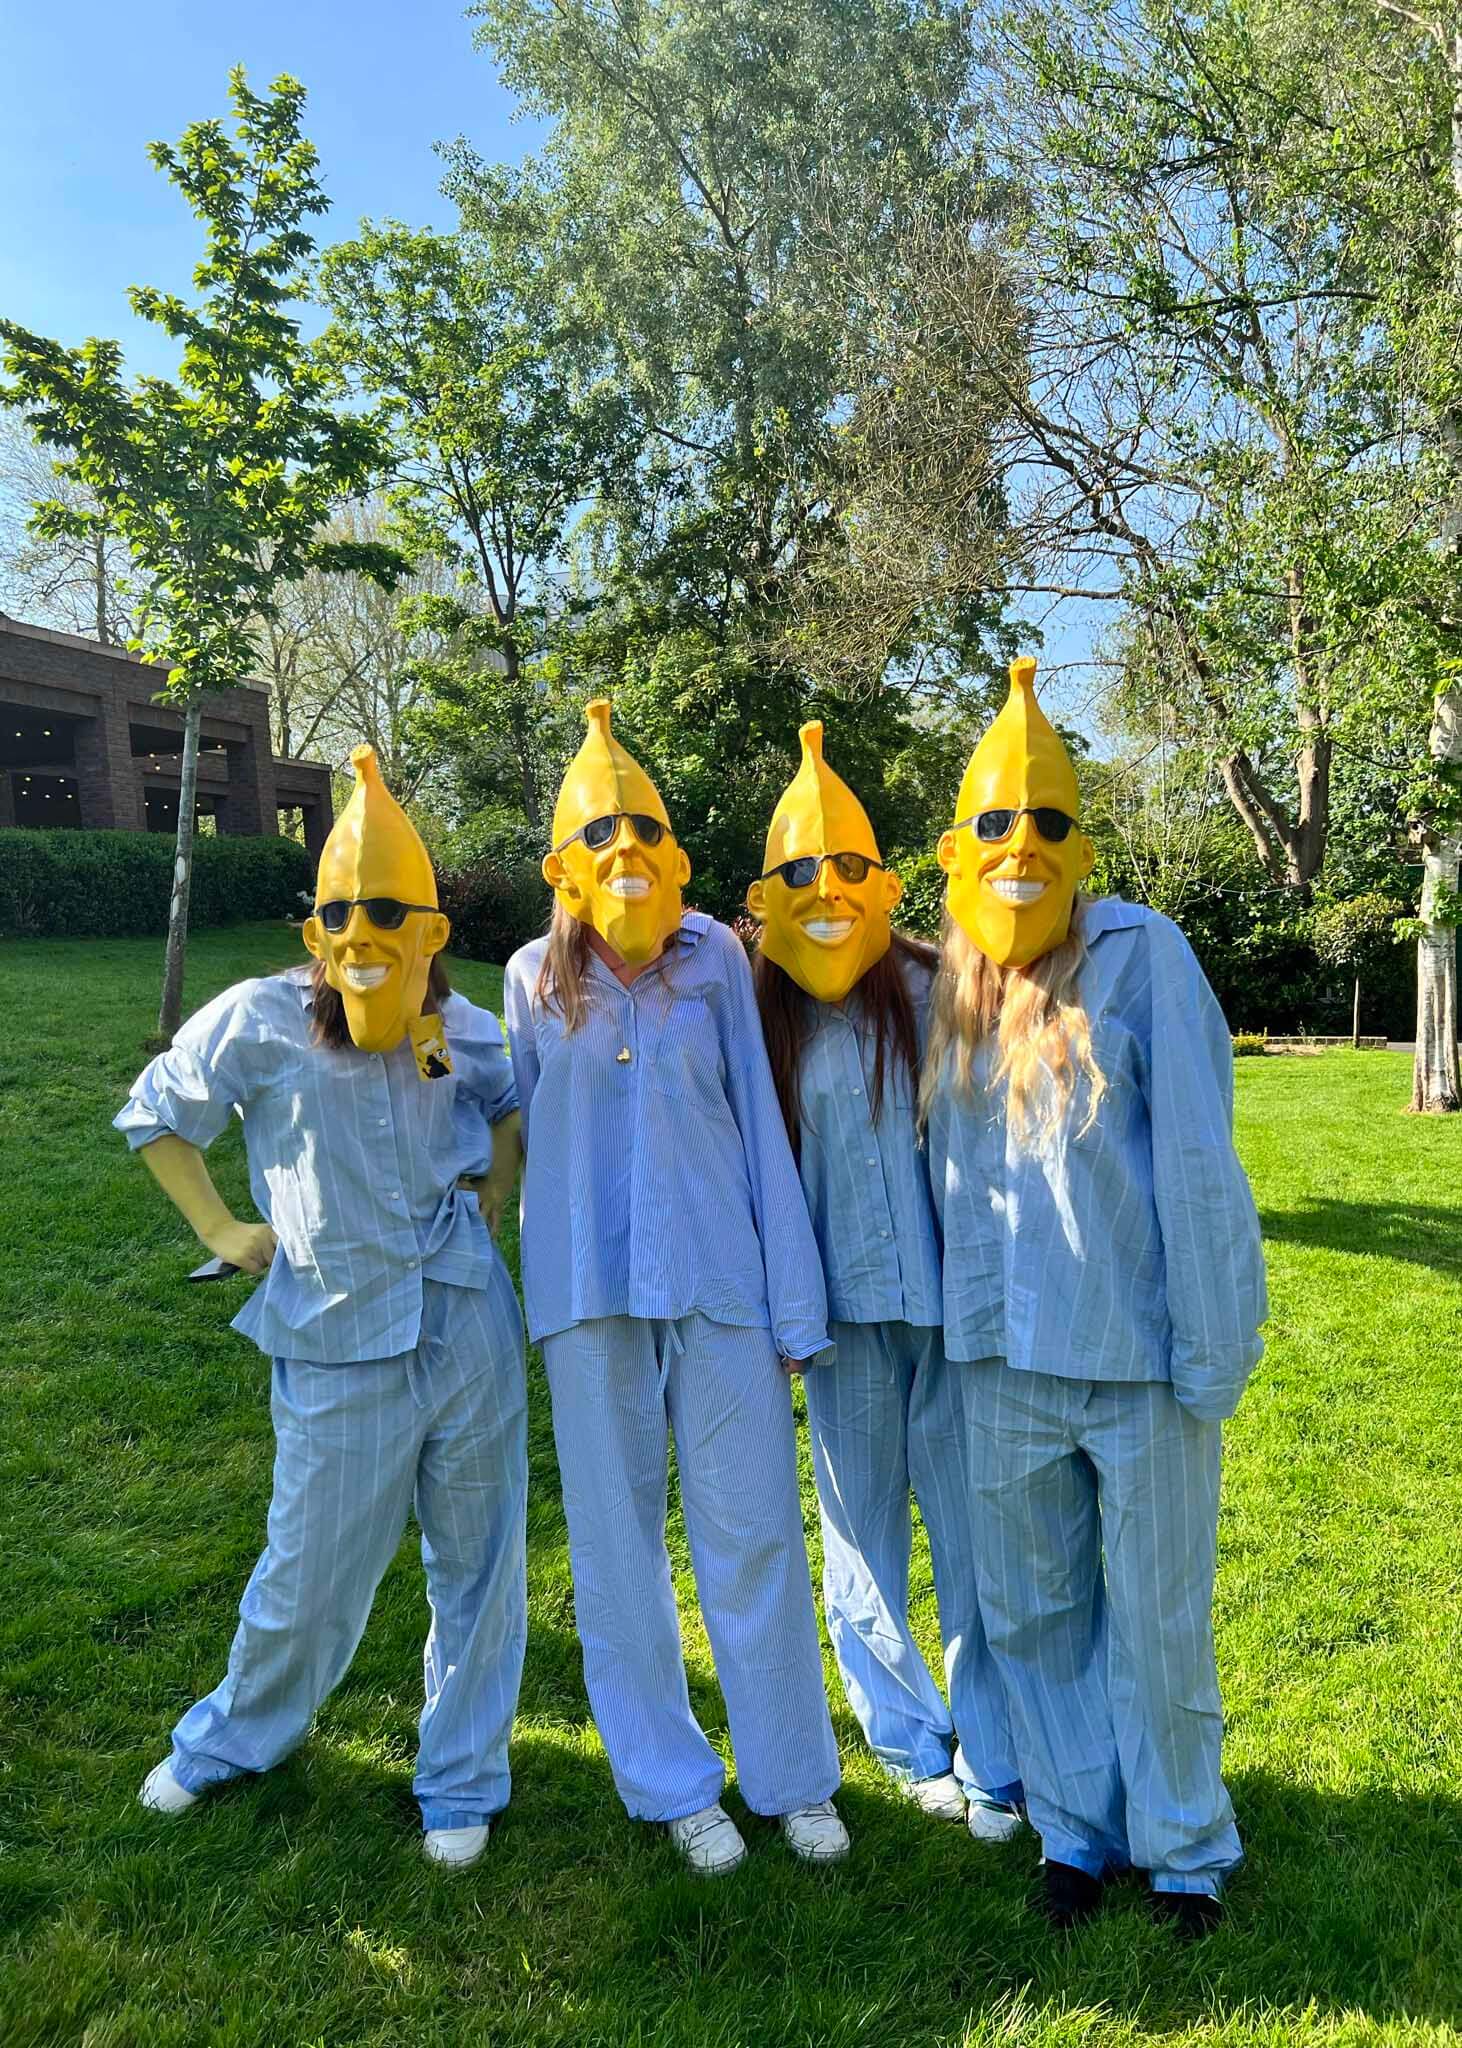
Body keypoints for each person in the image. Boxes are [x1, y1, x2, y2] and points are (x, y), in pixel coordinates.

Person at [116, 747, 528, 1871]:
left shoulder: (469, 1027)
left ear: (431, 931)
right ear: (314, 932)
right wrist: (217, 1227)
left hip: (467, 1327)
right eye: (339, 910)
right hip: (334, 1328)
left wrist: (498, 1190)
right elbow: (157, 1114)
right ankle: (235, 1737)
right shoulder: (257, 1019)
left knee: (480, 1562)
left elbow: (504, 1108)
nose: (360, 928)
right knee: (309, 1566)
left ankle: (461, 1774)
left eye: (386, 910)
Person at [923, 657, 1267, 1936]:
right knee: (1034, 1610)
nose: (1025, 846)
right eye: (998, 823)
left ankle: (1184, 1844)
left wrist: (1214, 1340)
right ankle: (1077, 1827)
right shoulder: (948, 980)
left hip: (1138, 1356)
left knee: (1160, 1617)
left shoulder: (1142, 955)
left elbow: (1196, 1158)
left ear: (1083, 838)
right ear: (959, 845)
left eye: (1050, 822)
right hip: (1002, 1359)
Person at [503, 699, 848, 1877]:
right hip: (589, 1293)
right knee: (614, 1545)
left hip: (721, 1284)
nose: (624, 854)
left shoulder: (717, 960)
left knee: (751, 1533)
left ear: (675, 849)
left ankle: (792, 1776)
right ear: (562, 865)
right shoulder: (527, 982)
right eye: (598, 836)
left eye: (641, 830)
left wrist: (794, 1305)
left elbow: (761, 1124)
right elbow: (523, 1140)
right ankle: (668, 1781)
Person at [747, 722, 1022, 1842]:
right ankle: (908, 1734)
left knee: (971, 1534)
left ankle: (995, 1749)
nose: (824, 890)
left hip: (948, 1311)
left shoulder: (927, 986)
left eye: (844, 869)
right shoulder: (754, 1011)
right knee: (862, 1535)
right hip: (841, 1322)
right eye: (800, 873)